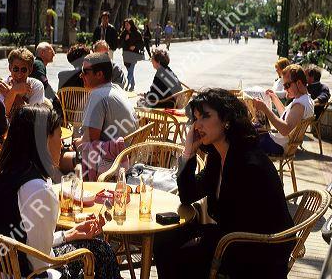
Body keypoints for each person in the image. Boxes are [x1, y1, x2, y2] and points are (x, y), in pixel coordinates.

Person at [154, 88, 294, 278]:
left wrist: (199, 233)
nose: (197, 125)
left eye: (205, 116)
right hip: (232, 237)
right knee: (164, 240)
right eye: (195, 118)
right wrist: (188, 153)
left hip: (259, 251)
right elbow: (188, 195)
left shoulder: (248, 162)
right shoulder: (217, 156)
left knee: (176, 255)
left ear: (227, 120)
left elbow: (241, 223)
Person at [0, 103, 120, 279]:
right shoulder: (38, 190)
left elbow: (23, 243)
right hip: (17, 273)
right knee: (101, 252)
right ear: (45, 140)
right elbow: (39, 263)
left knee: (93, 248)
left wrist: (68, 235)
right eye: (59, 136)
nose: (63, 145)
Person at [76, 52, 137, 145]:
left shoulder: (97, 95)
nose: (81, 75)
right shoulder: (117, 89)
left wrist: (73, 144)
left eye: (85, 72)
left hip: (113, 157)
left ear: (99, 74)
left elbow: (90, 141)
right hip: (128, 152)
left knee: (60, 156)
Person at [253, 64, 314, 155]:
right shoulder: (306, 99)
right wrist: (275, 98)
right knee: (246, 128)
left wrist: (264, 108)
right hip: (278, 142)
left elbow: (284, 130)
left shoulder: (299, 105)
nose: (285, 89)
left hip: (276, 145)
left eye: (287, 85)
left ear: (299, 83)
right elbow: (286, 117)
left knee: (240, 135)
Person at [0, 48, 46, 118]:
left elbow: (31, 117)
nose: (19, 74)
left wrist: (12, 92)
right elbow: (2, 115)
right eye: (16, 69)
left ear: (30, 70)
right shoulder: (2, 85)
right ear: (10, 68)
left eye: (23, 70)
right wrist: (13, 92)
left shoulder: (36, 86)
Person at [30, 42, 62, 115]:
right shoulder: (39, 63)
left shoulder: (38, 63)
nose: (54, 54)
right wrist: (56, 98)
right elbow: (43, 83)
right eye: (51, 50)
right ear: (42, 53)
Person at [119, 18, 144, 91]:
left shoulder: (137, 33)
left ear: (131, 25)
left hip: (134, 55)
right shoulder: (123, 33)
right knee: (129, 70)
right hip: (126, 55)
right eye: (125, 24)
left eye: (127, 24)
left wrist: (135, 46)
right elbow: (120, 44)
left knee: (130, 70)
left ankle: (127, 85)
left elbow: (142, 44)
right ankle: (133, 84)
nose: (126, 26)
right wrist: (125, 39)